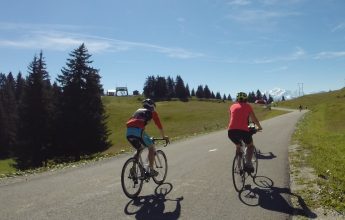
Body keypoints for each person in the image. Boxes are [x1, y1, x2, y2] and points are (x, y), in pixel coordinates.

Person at [126, 98, 169, 177]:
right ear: (152, 106)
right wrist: (164, 136)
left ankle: (133, 168)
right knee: (151, 147)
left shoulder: (137, 111)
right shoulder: (152, 112)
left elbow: (131, 121)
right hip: (139, 131)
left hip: (128, 132)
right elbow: (159, 125)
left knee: (139, 148)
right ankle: (151, 170)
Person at [228, 92, 263, 172]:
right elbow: (254, 119)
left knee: (238, 146)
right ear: (246, 99)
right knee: (250, 146)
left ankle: (239, 167)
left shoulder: (232, 106)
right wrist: (259, 127)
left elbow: (232, 119)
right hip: (244, 131)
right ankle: (248, 164)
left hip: (231, 132)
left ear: (237, 99)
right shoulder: (247, 106)